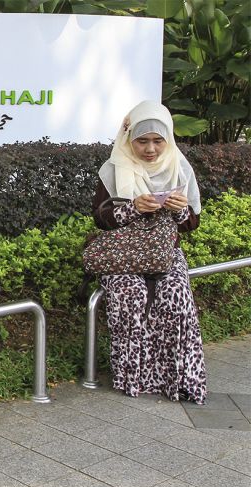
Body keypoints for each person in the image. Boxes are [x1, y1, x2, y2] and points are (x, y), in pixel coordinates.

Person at [92, 100, 206, 404]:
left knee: (175, 296)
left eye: (158, 140)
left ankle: (175, 377)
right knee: (131, 295)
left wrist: (181, 211)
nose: (150, 149)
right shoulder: (114, 168)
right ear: (130, 139)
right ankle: (134, 376)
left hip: (165, 252)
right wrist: (132, 208)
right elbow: (100, 219)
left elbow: (192, 223)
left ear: (168, 139)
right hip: (124, 254)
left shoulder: (179, 168)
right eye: (142, 141)